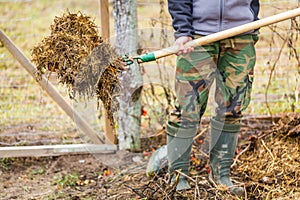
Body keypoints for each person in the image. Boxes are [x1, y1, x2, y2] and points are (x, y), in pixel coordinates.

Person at [148, 0, 260, 196]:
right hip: (196, 38)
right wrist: (183, 31)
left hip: (242, 33)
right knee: (187, 108)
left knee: (232, 107)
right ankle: (179, 177)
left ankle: (221, 175)